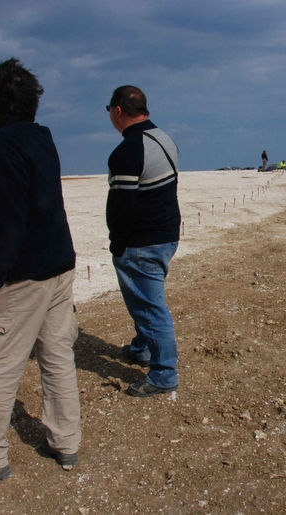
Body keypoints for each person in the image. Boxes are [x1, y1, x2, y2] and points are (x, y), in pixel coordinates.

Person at [0, 58, 81, 481]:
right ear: (33, 103)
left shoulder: (0, 155)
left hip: (21, 278)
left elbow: (3, 226)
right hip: (59, 269)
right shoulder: (39, 137)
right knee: (58, 358)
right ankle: (66, 444)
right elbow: (5, 128)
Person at [106, 85, 181, 398]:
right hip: (167, 235)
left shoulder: (127, 151)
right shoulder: (164, 138)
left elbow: (122, 208)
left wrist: (117, 244)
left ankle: (164, 374)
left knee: (151, 307)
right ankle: (141, 348)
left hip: (142, 243)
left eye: (108, 109)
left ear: (118, 111)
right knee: (146, 299)